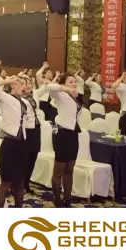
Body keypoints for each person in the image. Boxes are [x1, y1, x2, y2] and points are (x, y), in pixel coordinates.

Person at [0, 76, 29, 208]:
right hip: (10, 144)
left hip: (22, 144)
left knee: (20, 182)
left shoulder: (24, 102)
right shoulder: (5, 98)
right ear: (13, 85)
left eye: (25, 84)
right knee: (6, 182)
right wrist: (7, 81)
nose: (23, 87)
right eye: (20, 83)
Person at [47, 72, 81, 208]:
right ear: (64, 84)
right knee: (59, 170)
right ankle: (57, 198)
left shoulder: (76, 97)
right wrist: (65, 89)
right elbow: (49, 86)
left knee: (69, 169)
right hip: (63, 135)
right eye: (70, 82)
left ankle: (68, 199)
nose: (74, 84)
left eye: (75, 82)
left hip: (74, 135)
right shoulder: (60, 95)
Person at [21, 76, 47, 194]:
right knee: (24, 157)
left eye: (29, 83)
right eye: (25, 84)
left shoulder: (35, 94)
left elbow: (45, 88)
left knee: (33, 156)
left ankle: (26, 182)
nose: (27, 86)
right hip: (26, 129)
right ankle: (20, 183)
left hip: (36, 128)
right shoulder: (19, 99)